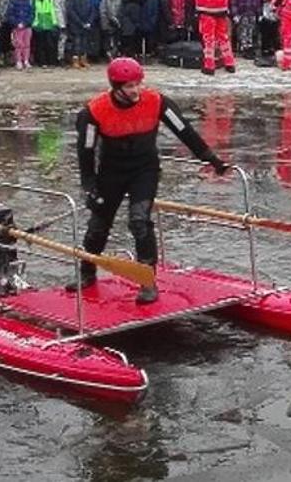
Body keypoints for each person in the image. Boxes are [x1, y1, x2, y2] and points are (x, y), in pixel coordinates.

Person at [73, 57, 228, 303]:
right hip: (111, 172)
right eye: (129, 86)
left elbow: (184, 131)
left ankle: (147, 281)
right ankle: (87, 272)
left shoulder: (157, 102)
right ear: (116, 87)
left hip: (144, 170)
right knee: (99, 224)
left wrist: (211, 159)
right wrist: (89, 185)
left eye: (138, 84)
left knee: (139, 221)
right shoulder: (94, 111)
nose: (136, 91)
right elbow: (86, 151)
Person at [195, 0, 238, 74]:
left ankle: (209, 65)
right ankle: (229, 63)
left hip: (208, 9)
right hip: (222, 9)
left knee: (208, 38)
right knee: (223, 38)